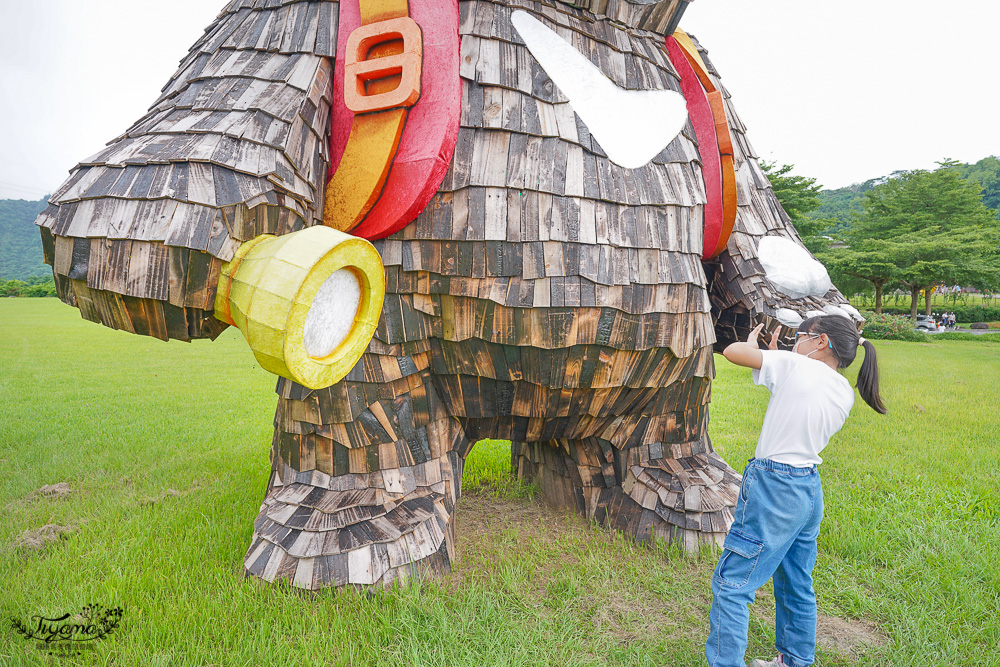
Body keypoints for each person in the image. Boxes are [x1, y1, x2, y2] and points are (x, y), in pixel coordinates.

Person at [705, 315, 887, 667]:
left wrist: (755, 343)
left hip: (774, 486)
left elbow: (731, 352)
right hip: (807, 488)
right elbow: (793, 396)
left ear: (820, 341)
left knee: (734, 584)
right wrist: (780, 358)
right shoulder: (841, 390)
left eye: (799, 337)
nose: (793, 343)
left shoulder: (794, 366)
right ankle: (795, 661)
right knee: (796, 581)